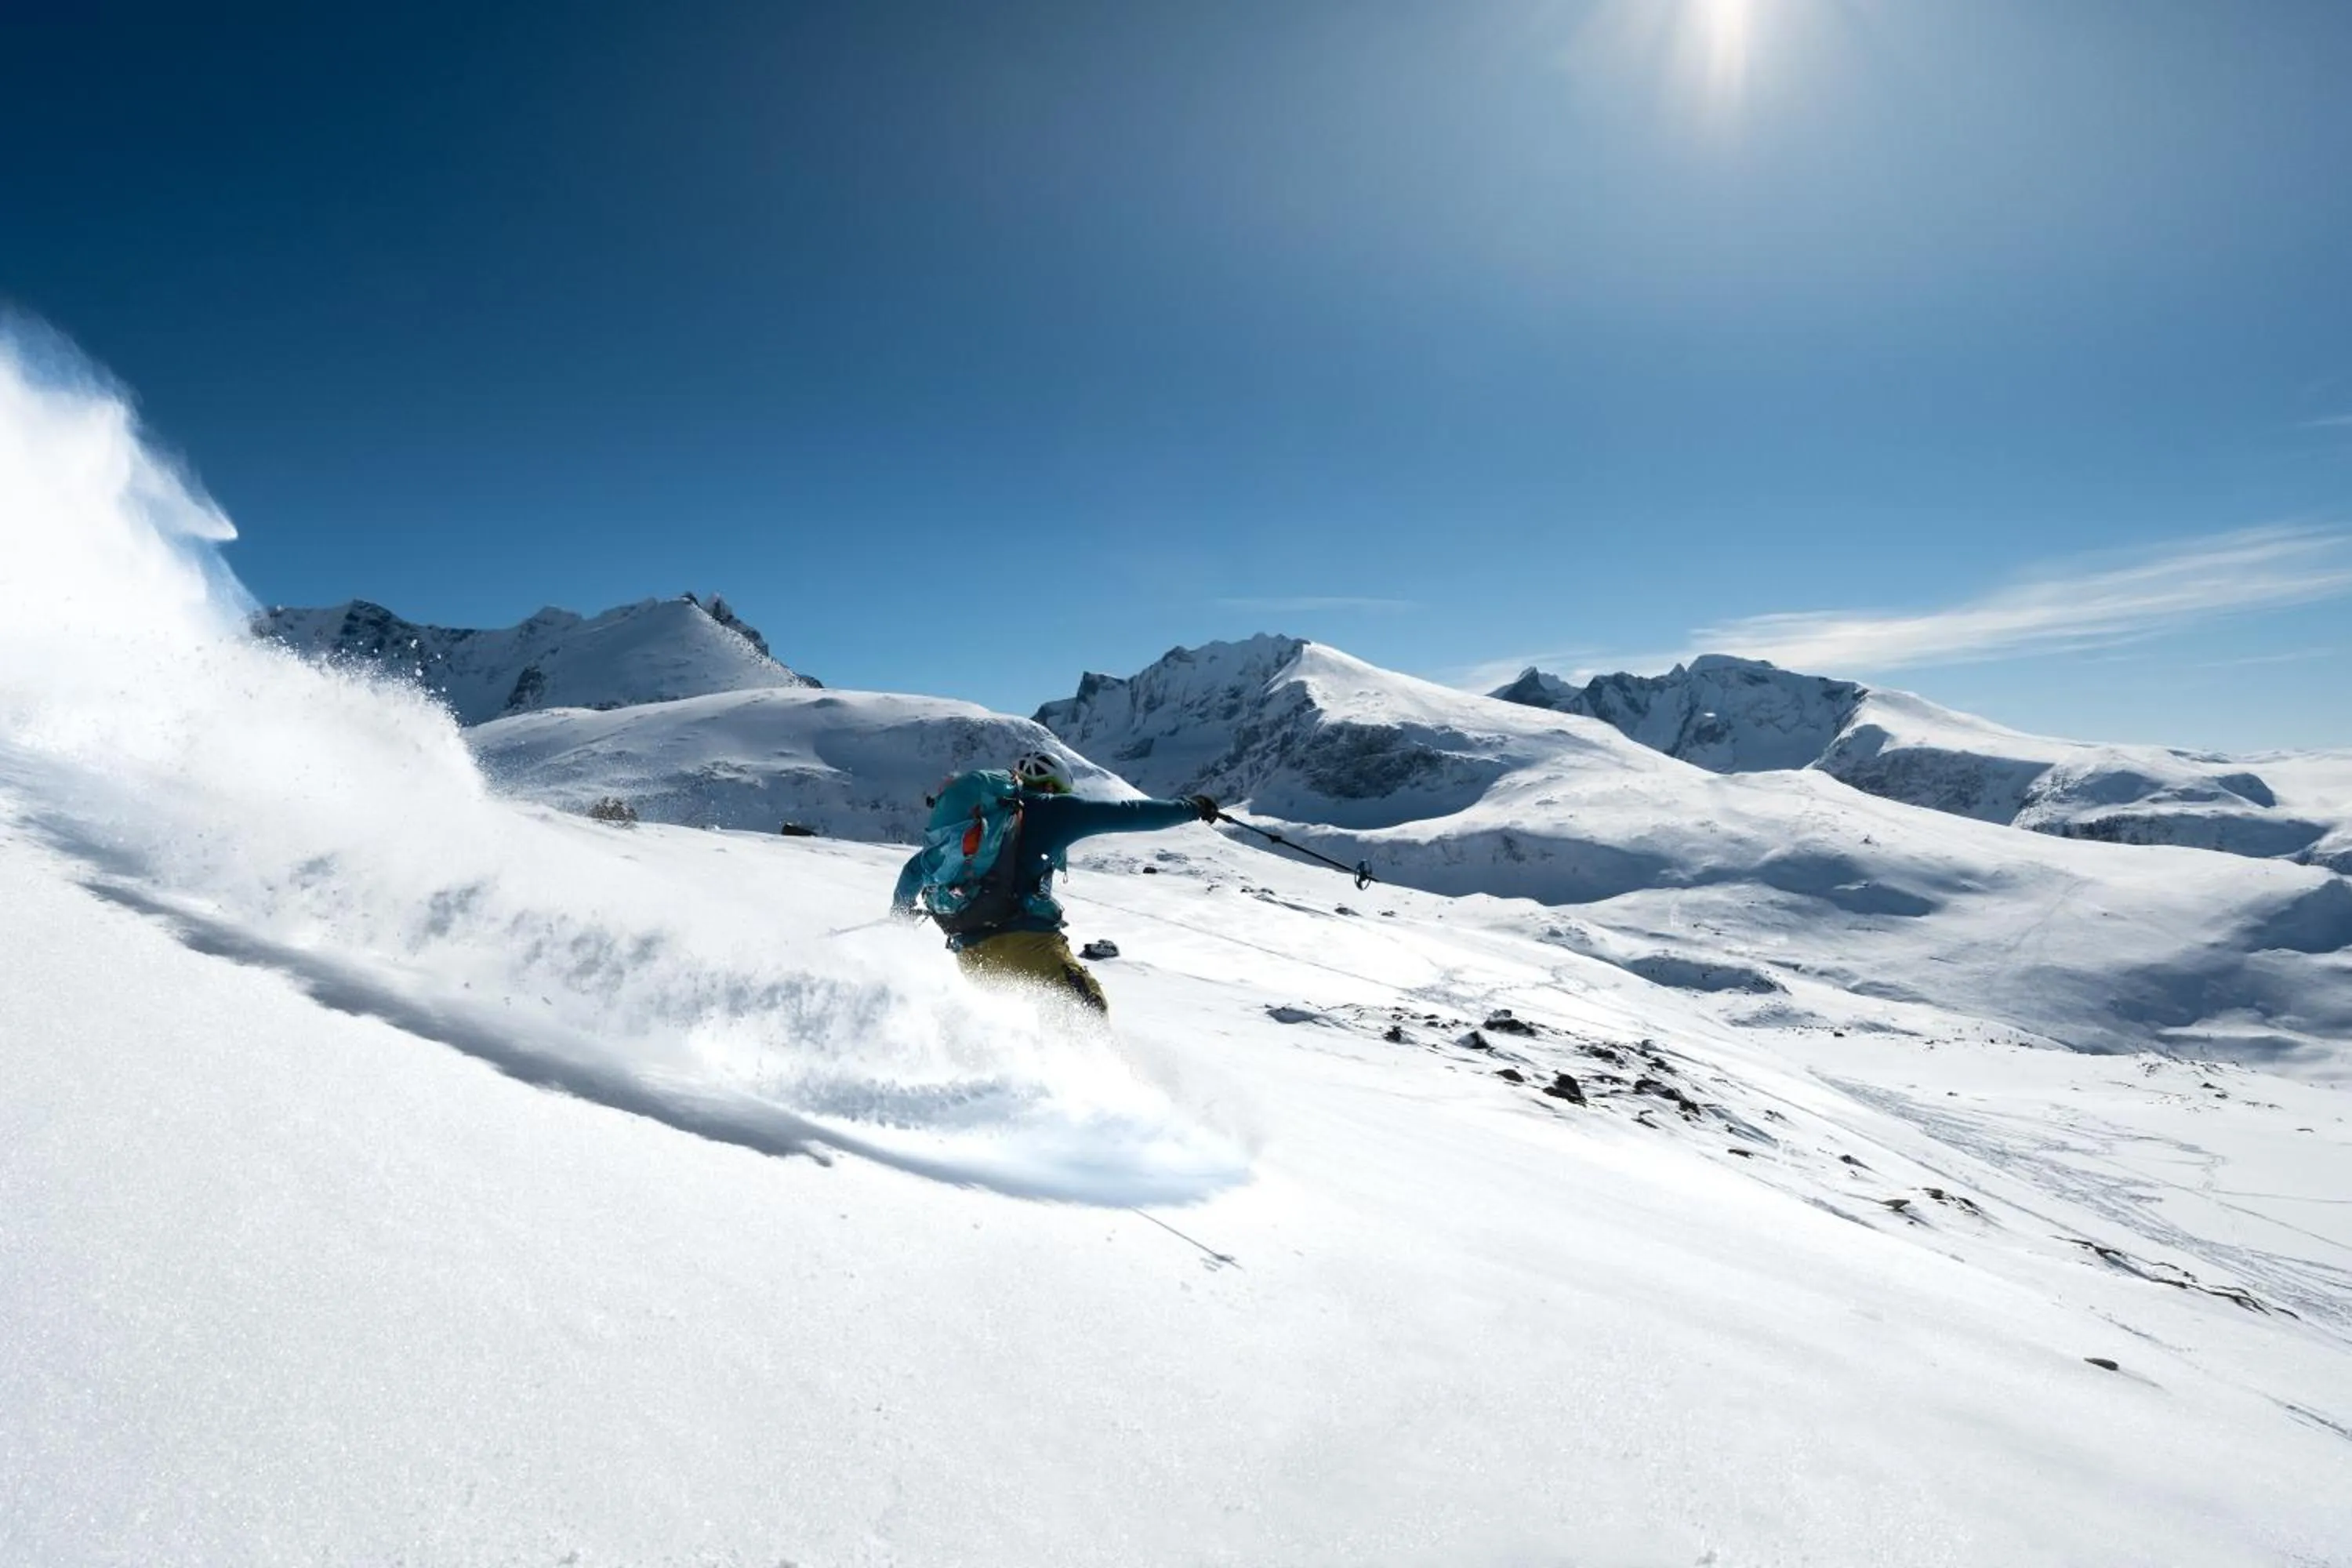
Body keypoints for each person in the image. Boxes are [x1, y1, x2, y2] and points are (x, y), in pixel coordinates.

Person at [891, 750, 1218, 1014]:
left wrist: (900, 915)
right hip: (1027, 945)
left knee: (1025, 1027)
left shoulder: (986, 820)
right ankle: (1090, 1089)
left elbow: (914, 870)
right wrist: (1192, 808)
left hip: (972, 960)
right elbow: (1131, 813)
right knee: (1086, 1007)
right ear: (1051, 787)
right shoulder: (1056, 809)